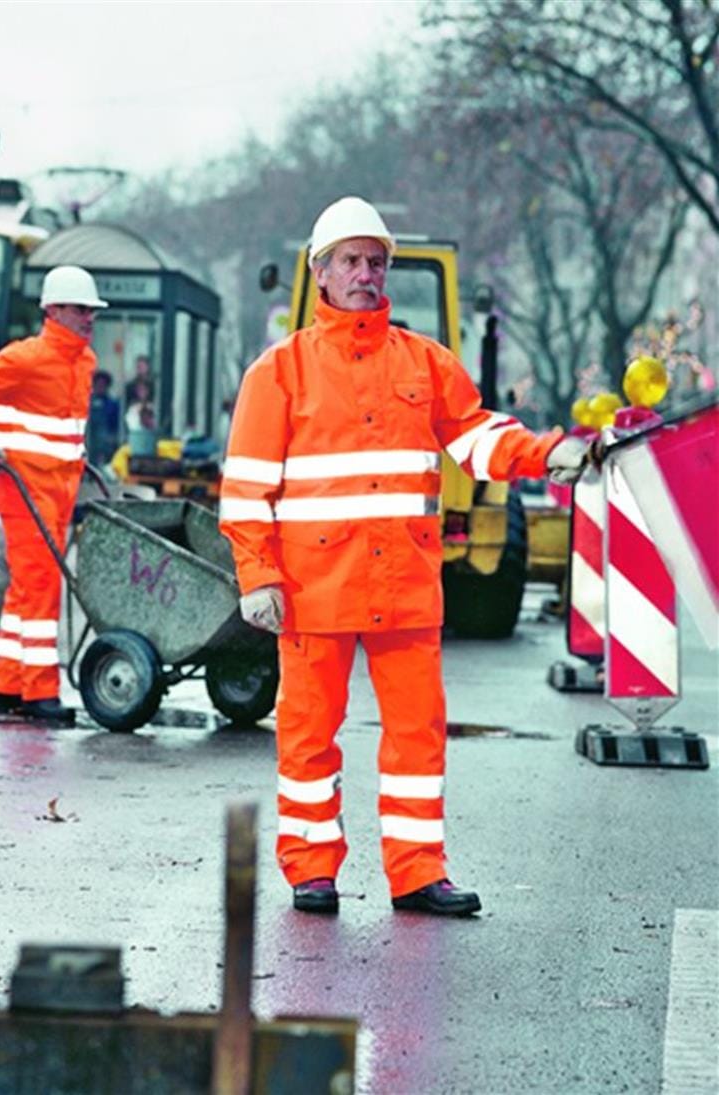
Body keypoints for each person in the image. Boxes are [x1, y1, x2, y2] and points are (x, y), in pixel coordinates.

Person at [219, 196, 588, 916]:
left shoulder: (424, 361)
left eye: (375, 261)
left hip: (404, 585)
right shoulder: (280, 372)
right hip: (311, 588)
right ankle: (311, 867)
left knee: (416, 737)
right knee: (308, 734)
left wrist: (548, 452)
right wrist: (257, 575)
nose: (365, 273)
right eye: (351, 260)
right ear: (319, 272)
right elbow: (247, 492)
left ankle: (418, 872)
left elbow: (479, 436)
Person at [0, 265, 108, 725]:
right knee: (39, 587)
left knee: (24, 591)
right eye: (80, 309)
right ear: (53, 310)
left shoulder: (84, 362)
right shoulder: (29, 357)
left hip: (57, 489)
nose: (88, 318)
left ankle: (6, 687)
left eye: (91, 310)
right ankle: (39, 694)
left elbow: (61, 428)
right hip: (25, 489)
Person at [87, 370, 120, 465]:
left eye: (103, 384)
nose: (100, 387)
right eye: (98, 384)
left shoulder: (112, 405)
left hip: (106, 443)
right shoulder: (87, 402)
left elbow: (116, 425)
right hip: (89, 441)